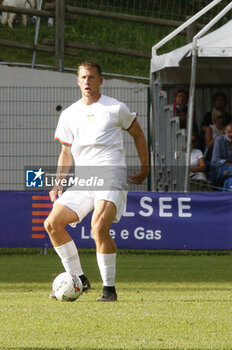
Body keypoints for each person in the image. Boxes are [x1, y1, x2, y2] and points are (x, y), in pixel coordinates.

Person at [44, 61, 149, 302]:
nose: (87, 82)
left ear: (100, 80)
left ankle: (109, 290)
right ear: (77, 81)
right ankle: (79, 279)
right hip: (84, 179)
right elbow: (66, 152)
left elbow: (138, 134)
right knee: (52, 224)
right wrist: (58, 182)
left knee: (98, 227)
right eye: (83, 77)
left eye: (92, 77)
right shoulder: (69, 114)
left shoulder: (115, 108)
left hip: (111, 174)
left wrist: (145, 167)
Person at [210, 123, 232, 188]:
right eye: (229, 132)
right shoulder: (219, 140)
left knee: (230, 180)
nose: (231, 134)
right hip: (219, 169)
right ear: (225, 132)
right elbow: (216, 160)